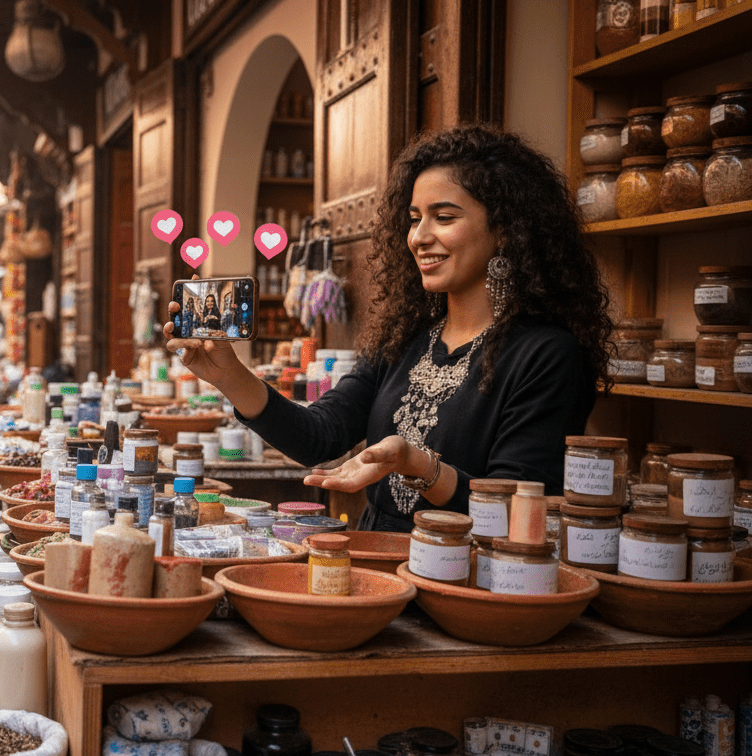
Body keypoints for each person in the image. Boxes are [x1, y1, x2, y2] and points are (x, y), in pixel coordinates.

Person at [166, 124, 612, 532]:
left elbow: (518, 512)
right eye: (415, 218)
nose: (418, 236)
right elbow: (319, 436)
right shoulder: (409, 339)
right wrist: (229, 376)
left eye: (444, 216)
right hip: (376, 566)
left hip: (465, 586)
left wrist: (418, 465)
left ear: (506, 230)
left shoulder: (547, 356)